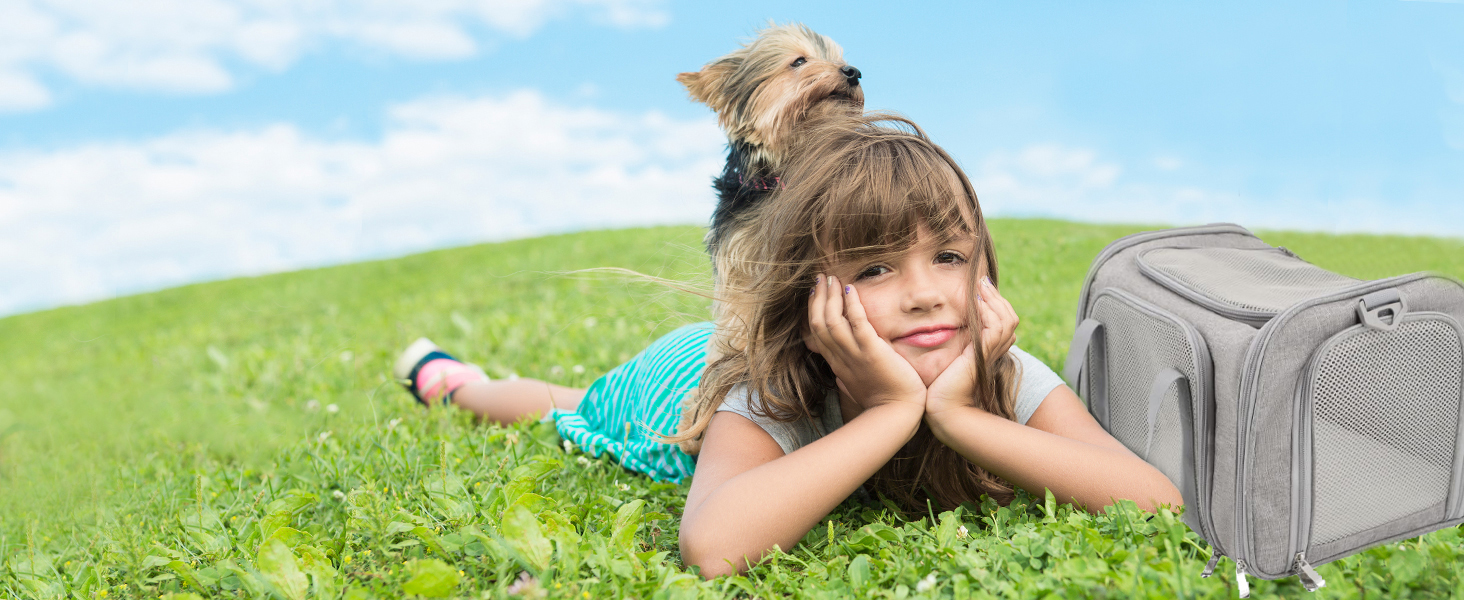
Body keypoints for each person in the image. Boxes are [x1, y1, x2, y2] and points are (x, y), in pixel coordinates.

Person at [391, 115, 1183, 578]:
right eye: (875, 267)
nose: (925, 292)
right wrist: (895, 412)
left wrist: (963, 418)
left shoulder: (1001, 374)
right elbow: (712, 546)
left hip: (862, 383)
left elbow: (1154, 501)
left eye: (948, 255)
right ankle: (456, 381)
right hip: (681, 381)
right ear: (815, 292)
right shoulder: (773, 391)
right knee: (574, 407)